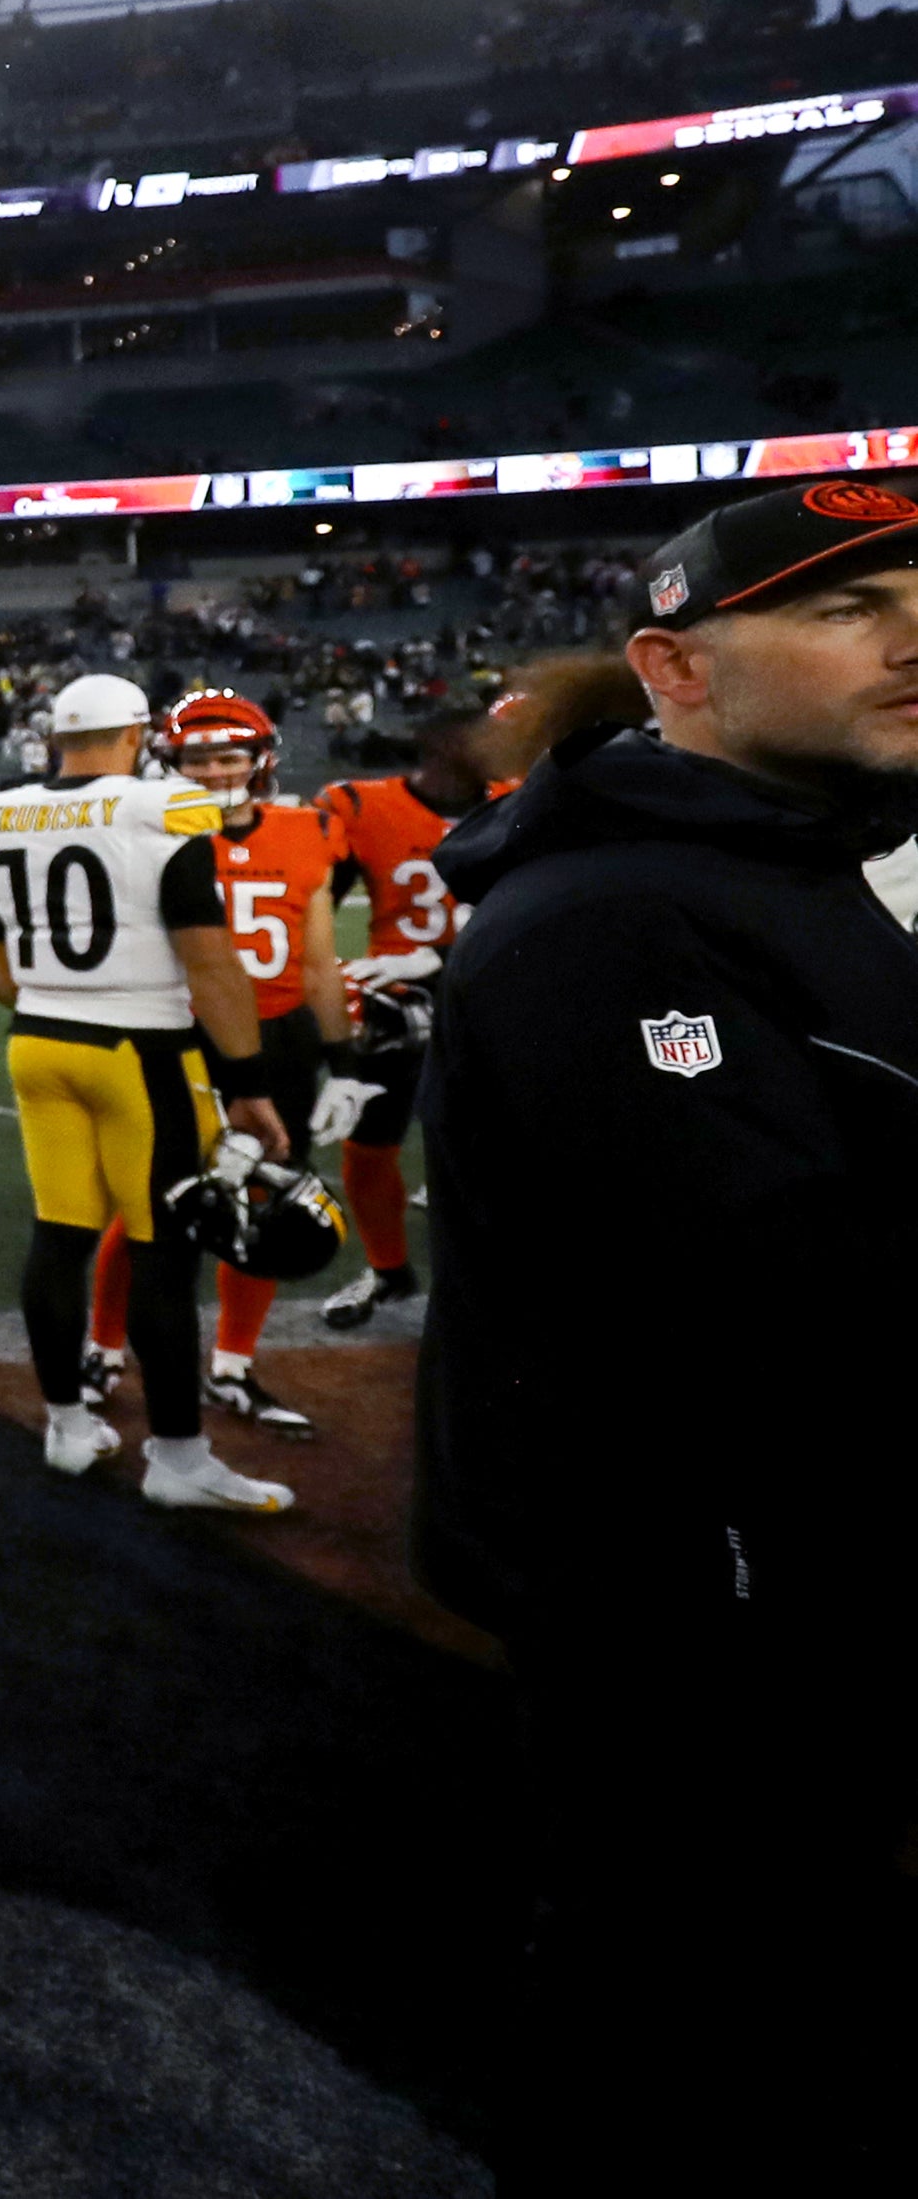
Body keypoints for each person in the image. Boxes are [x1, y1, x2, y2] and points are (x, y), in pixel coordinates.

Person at [418, 477, 918, 2187]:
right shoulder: (624, 919)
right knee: (692, 2030)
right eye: (849, 606)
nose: (913, 634)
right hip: (708, 1603)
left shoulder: (774, 873)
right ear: (677, 669)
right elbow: (779, 1298)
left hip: (770, 1582)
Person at [0, 673, 295, 1513]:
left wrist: (55, 1003)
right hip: (142, 1050)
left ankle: (67, 1424)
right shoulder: (163, 810)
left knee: (61, 1234)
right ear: (137, 734)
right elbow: (210, 961)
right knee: (161, 1252)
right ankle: (177, 1455)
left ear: (56, 738)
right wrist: (247, 1084)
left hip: (39, 1046)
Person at [80, 691, 374, 1438]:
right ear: (169, 762)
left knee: (270, 1201)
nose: (213, 769)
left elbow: (315, 961)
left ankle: (234, 1364)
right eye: (198, 757)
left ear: (261, 758)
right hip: (180, 1037)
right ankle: (103, 1348)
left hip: (279, 1037)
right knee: (153, 1204)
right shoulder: (147, 831)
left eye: (228, 755)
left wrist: (341, 1059)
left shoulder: (308, 829)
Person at [308, 707, 504, 1330]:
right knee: (368, 1148)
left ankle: (494, 1273)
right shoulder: (362, 808)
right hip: (398, 1003)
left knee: (495, 1147)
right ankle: (390, 1270)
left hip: (492, 992)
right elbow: (313, 909)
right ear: (437, 743)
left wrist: (442, 957)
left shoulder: (524, 800)